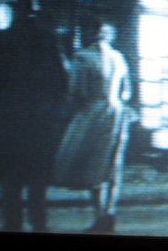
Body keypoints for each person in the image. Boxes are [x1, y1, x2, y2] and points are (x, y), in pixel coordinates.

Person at [0, 0, 69, 232]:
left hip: (10, 117)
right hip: (39, 118)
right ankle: (39, 223)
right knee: (37, 175)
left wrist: (2, 105)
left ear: (14, 12)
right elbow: (61, 81)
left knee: (11, 173)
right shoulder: (47, 39)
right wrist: (50, 108)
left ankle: (13, 223)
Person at [53, 18, 137, 233]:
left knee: (93, 163)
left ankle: (99, 215)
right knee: (113, 163)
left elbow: (77, 90)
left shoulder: (82, 57)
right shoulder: (119, 57)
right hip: (117, 112)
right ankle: (110, 211)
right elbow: (127, 91)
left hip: (93, 112)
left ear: (89, 32)